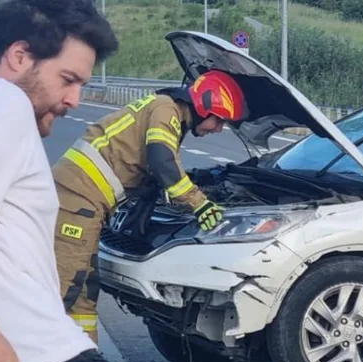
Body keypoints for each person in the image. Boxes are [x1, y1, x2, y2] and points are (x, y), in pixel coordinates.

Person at [0, 0, 240, 362]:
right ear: (17, 56)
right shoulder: (5, 102)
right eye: (68, 79)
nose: (77, 99)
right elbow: (162, 164)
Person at [52, 68, 239, 342]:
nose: (219, 129)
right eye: (219, 121)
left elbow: (155, 172)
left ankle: (84, 360)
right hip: (77, 197)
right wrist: (199, 203)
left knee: (85, 287)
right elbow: (163, 162)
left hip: (85, 200)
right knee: (66, 288)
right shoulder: (166, 110)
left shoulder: (169, 113)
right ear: (205, 106)